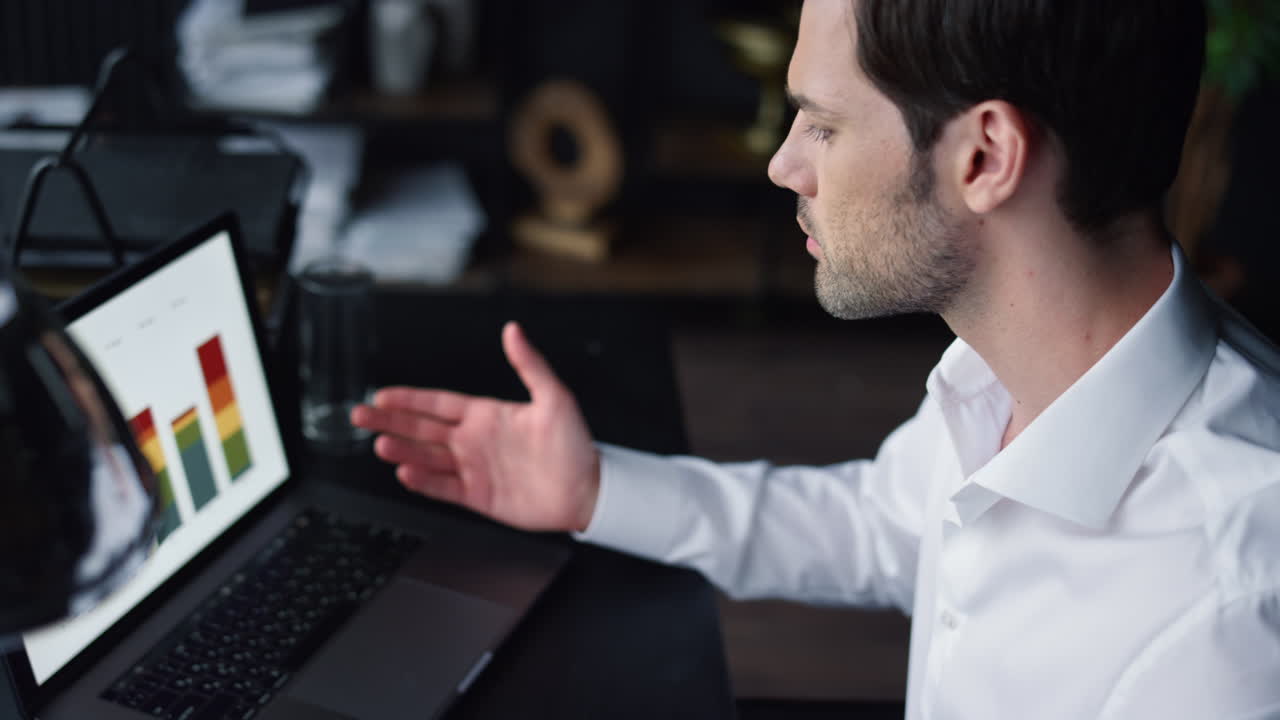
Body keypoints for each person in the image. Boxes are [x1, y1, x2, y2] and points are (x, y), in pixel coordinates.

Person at [352, 0, 1280, 717]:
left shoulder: (1228, 618)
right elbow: (883, 529)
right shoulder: (1016, 368)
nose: (783, 164)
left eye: (823, 125)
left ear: (985, 156)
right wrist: (595, 492)